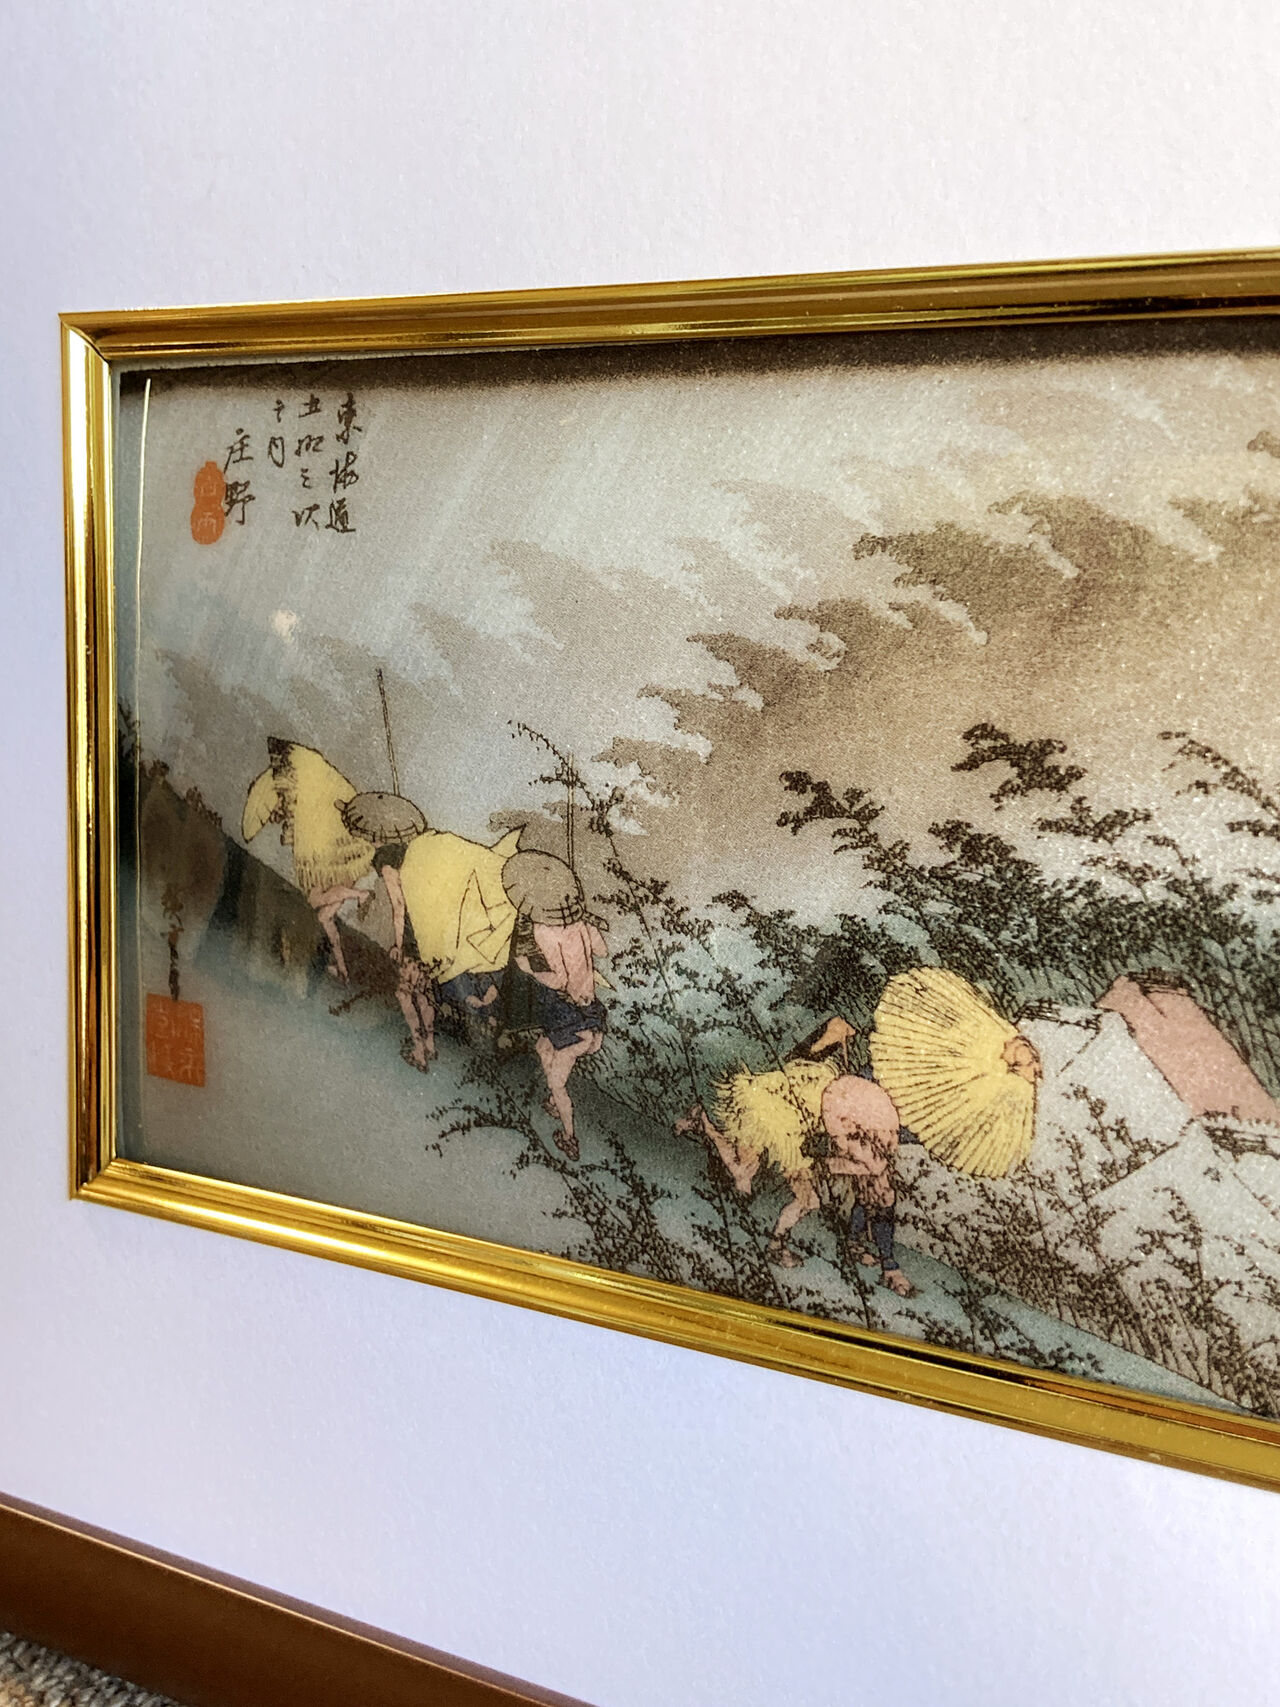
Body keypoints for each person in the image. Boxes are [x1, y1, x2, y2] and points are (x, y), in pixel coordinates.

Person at [676, 1016, 915, 1291]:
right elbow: (845, 1147)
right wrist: (823, 1164)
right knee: (782, 1189)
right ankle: (776, 1245)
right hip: (784, 1115)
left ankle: (704, 1122)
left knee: (747, 1174)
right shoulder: (859, 1093)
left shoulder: (864, 1099)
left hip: (786, 1106)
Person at [502, 851, 608, 1160]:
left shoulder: (543, 930)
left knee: (557, 1083)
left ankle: (569, 1136)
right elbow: (602, 951)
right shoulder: (582, 924)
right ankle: (553, 1101)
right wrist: (586, 928)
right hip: (591, 1015)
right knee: (542, 1047)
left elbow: (560, 980)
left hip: (571, 1021)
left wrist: (530, 970)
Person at [372, 839, 437, 1072]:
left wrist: (398, 945)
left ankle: (419, 1051)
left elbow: (399, 907)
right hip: (428, 939)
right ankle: (430, 1044)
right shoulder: (413, 864)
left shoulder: (388, 866)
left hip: (411, 941)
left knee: (404, 994)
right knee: (423, 993)